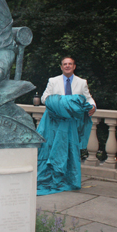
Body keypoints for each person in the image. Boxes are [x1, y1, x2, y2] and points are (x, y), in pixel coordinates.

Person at [37, 56, 96, 195]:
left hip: (70, 124)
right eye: (65, 64)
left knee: (70, 149)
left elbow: (88, 98)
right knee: (53, 149)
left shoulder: (82, 82)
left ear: (74, 66)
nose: (67, 66)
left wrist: (93, 105)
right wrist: (62, 102)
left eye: (70, 64)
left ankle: (69, 179)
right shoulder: (53, 81)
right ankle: (52, 178)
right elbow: (44, 98)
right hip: (54, 123)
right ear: (61, 67)